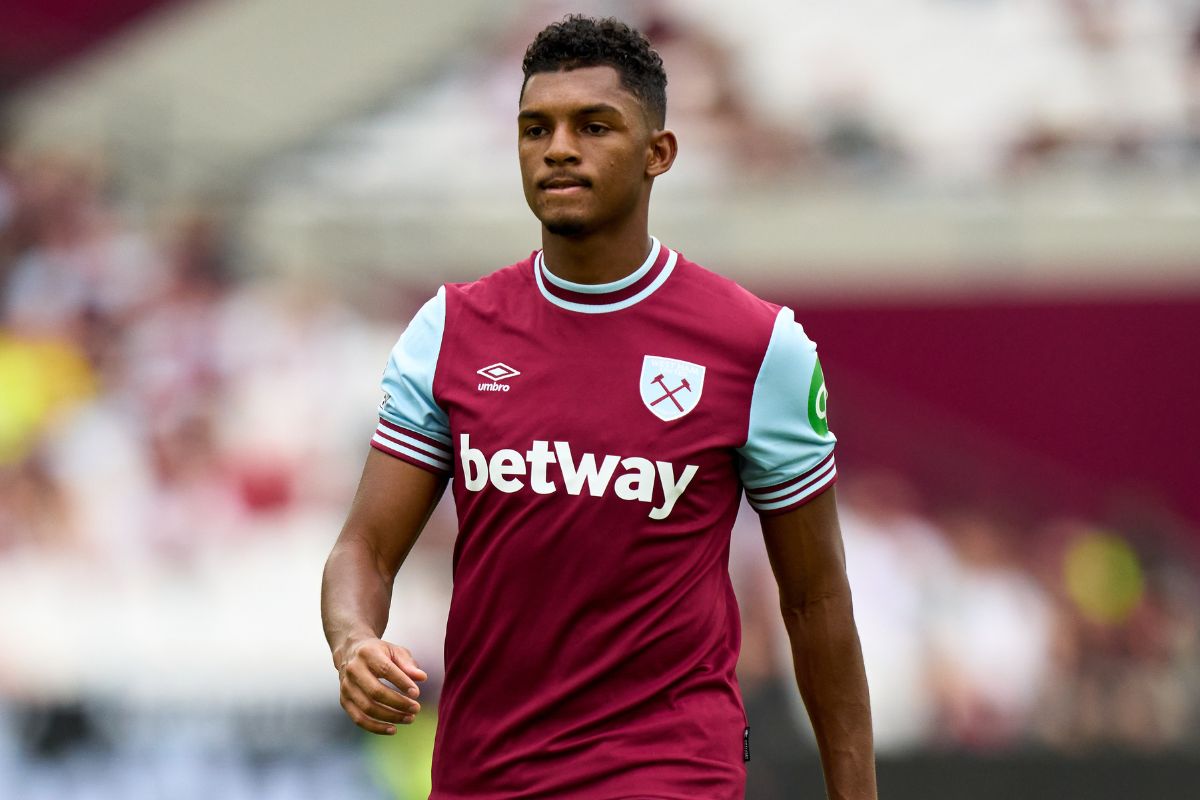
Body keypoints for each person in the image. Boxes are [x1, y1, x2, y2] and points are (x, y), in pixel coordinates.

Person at [321, 15, 876, 800]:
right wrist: (353, 641)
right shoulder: (450, 331)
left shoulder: (759, 348)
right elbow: (364, 551)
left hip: (668, 772)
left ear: (659, 153)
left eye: (594, 126)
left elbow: (816, 597)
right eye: (534, 128)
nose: (557, 148)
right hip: (486, 775)